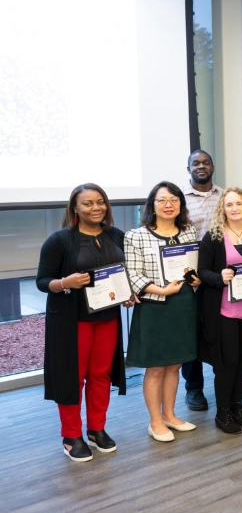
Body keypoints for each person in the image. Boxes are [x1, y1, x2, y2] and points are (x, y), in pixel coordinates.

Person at [36, 184, 133, 462]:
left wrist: (127, 294)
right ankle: (71, 435)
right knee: (72, 378)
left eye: (100, 202)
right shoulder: (60, 240)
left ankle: (97, 428)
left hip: (107, 317)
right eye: (88, 203)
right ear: (75, 208)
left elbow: (122, 272)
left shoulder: (116, 235)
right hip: (71, 321)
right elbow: (42, 282)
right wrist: (66, 282)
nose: (96, 208)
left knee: (101, 375)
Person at [124, 182, 200, 442]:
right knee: (156, 368)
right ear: (152, 205)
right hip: (154, 307)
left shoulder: (188, 231)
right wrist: (160, 290)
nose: (169, 205)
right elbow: (132, 273)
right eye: (162, 200)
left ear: (181, 204)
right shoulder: (136, 235)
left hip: (183, 306)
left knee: (175, 364)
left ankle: (170, 414)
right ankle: (155, 421)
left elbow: (191, 267)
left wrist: (196, 279)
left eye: (174, 200)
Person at [197, 188, 242, 434]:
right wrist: (220, 277)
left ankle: (237, 406)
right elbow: (203, 272)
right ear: (223, 209)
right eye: (229, 204)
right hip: (224, 312)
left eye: (239, 203)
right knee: (226, 363)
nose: (235, 208)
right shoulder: (214, 236)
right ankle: (222, 412)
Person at [180, 149, 224, 411]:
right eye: (195, 163)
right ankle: (194, 388)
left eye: (206, 162)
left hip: (219, 272)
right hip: (190, 272)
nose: (201, 166)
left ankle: (223, 378)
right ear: (188, 169)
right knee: (191, 330)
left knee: (217, 327)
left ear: (213, 166)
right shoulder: (179, 198)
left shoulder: (225, 196)